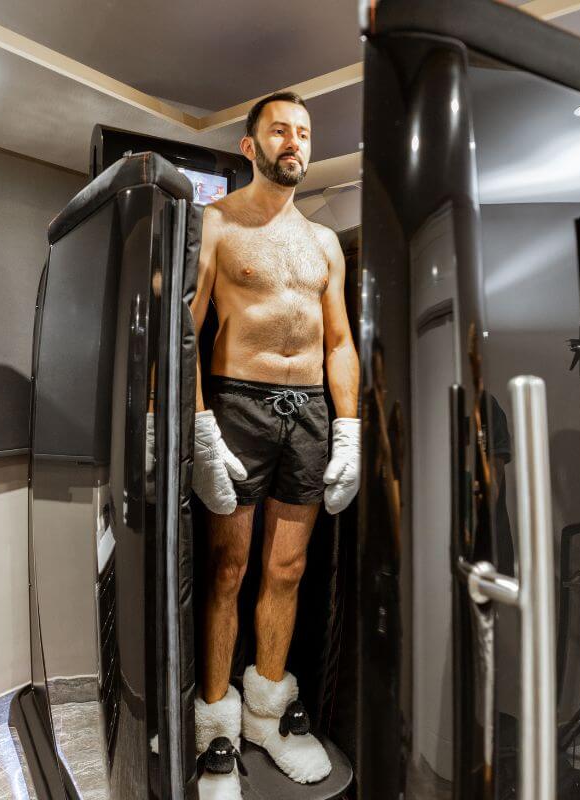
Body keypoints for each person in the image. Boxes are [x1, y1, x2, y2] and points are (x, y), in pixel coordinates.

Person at [189, 91, 359, 798]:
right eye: (280, 131)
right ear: (250, 147)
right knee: (228, 569)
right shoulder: (218, 224)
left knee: (288, 570)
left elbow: (340, 340)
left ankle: (265, 711)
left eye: (305, 133)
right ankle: (216, 728)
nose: (296, 142)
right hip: (239, 402)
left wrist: (349, 426)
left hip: (312, 414)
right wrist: (201, 425)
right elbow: (184, 331)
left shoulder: (323, 242)